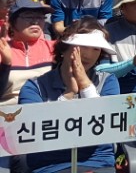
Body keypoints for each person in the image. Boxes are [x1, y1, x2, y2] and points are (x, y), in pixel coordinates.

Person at [19, 18, 120, 173]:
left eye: (96, 49)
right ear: (64, 48)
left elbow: (107, 124)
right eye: (83, 46)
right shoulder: (34, 87)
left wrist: (85, 84)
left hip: (97, 162)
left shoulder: (108, 81)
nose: (89, 54)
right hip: (49, 166)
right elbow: (35, 131)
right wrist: (69, 94)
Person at [0, 0, 56, 104]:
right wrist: (6, 64)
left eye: (40, 17)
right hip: (7, 111)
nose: (35, 21)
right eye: (28, 16)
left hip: (46, 110)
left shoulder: (54, 48)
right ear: (12, 22)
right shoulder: (3, 49)